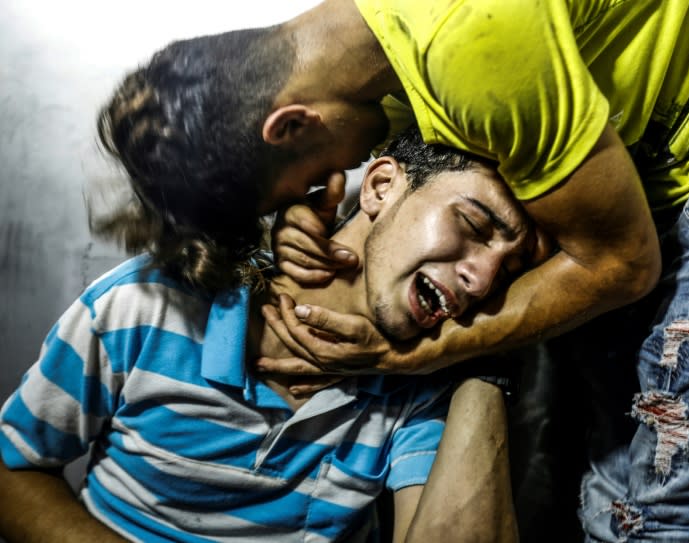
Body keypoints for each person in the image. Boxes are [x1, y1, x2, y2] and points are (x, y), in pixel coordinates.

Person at [97, 1, 689, 540]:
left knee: (681, 520)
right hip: (642, 173)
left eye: (298, 188)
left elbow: (624, 262)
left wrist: (419, 353)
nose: (327, 190)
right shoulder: (384, 53)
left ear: (292, 125)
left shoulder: (473, 48)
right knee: (612, 506)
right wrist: (303, 220)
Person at [0, 127, 526, 543]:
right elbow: (11, 471)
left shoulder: (426, 383)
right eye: (474, 227)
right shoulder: (146, 303)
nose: (482, 281)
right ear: (381, 185)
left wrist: (488, 354)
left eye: (509, 273)